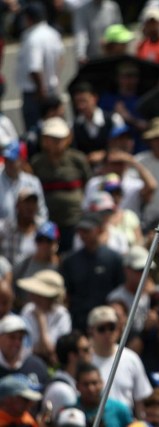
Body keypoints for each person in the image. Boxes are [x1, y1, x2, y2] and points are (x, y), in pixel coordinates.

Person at [30, 117, 92, 252]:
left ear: (68, 139)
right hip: (48, 222)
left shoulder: (78, 160)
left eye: (59, 138)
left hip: (74, 220)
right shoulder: (37, 163)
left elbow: (89, 186)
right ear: (44, 140)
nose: (55, 143)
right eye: (51, 138)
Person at [61, 212, 124, 331]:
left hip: (105, 322)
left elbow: (120, 289)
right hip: (78, 321)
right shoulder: (70, 260)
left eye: (87, 230)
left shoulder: (113, 258)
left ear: (99, 230)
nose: (82, 234)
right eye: (80, 230)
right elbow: (67, 293)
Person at [17, 2, 64, 132]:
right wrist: (55, 78)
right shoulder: (53, 33)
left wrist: (41, 92)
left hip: (36, 93)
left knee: (35, 131)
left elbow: (34, 68)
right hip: (51, 89)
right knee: (55, 128)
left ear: (29, 18)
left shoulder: (33, 38)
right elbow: (60, 59)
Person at [17, 269, 71, 364]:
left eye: (36, 293)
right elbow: (23, 346)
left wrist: (41, 321)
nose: (31, 295)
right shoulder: (27, 310)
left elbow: (51, 350)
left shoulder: (62, 315)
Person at [42, 331, 93, 417]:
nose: (91, 353)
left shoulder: (71, 384)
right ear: (72, 356)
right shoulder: (62, 390)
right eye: (85, 350)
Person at [0, 139, 48, 225]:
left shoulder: (32, 182)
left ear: (22, 161)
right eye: (7, 159)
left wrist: (30, 227)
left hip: (27, 234)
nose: (9, 163)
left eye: (13, 160)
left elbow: (42, 214)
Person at [75, 362, 133, 427]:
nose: (91, 389)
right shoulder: (72, 412)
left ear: (101, 383)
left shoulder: (120, 409)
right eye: (86, 384)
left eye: (94, 383)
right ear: (77, 386)